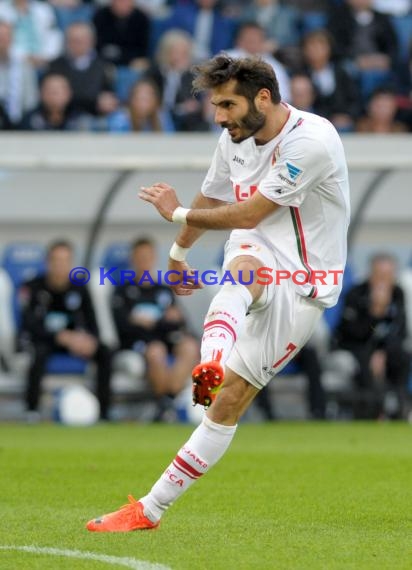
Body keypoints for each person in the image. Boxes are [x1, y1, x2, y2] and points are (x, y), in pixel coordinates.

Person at [86, 54, 350, 532]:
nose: (219, 116)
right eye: (215, 105)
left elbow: (249, 211)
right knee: (243, 269)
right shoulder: (235, 136)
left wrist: (175, 215)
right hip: (256, 248)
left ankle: (152, 506)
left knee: (229, 402)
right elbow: (213, 195)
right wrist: (177, 253)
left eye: (227, 104)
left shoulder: (313, 141)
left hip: (307, 283)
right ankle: (209, 363)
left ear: (263, 97)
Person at [18, 240, 112, 422]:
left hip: (74, 343)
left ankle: (104, 411)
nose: (60, 265)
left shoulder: (79, 288)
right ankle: (32, 410)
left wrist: (89, 340)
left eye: (65, 261)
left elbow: (92, 322)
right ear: (48, 262)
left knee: (105, 352)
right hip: (45, 340)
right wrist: (60, 336)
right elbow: (29, 325)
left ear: (71, 263)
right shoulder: (32, 287)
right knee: (38, 353)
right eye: (56, 260)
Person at [111, 237, 199, 420]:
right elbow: (124, 325)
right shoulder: (123, 291)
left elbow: (178, 322)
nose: (144, 260)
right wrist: (161, 321)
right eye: (140, 256)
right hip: (139, 343)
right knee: (156, 351)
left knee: (190, 346)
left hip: (165, 339)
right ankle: (165, 402)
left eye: (148, 256)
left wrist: (151, 322)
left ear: (154, 258)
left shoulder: (163, 290)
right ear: (133, 259)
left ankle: (167, 401)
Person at [333, 253, 410, 419]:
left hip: (385, 349)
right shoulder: (355, 293)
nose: (384, 281)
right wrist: (375, 313)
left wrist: (382, 351)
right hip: (355, 346)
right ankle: (371, 410)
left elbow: (400, 330)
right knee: (364, 360)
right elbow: (350, 333)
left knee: (401, 357)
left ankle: (399, 406)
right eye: (379, 276)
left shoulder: (398, 294)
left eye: (388, 276)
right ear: (371, 275)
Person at [47, 22, 117, 118]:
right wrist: (93, 100)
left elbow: (108, 96)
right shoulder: (56, 66)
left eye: (81, 40)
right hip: (63, 118)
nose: (77, 44)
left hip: (96, 118)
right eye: (73, 40)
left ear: (92, 41)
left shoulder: (104, 66)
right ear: (66, 42)